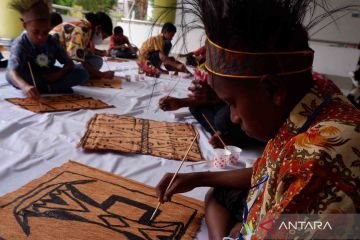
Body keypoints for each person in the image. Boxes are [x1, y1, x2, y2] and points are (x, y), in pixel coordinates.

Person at [156, 1, 360, 239]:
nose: (233, 117)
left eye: (232, 102)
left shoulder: (317, 164)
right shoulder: (320, 94)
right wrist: (197, 177)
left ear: (273, 90)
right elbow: (267, 170)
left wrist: (248, 229)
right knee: (219, 191)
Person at [6, 0, 89, 98]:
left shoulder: (52, 40)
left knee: (82, 74)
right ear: (25, 26)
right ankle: (52, 88)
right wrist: (25, 86)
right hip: (30, 77)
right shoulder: (20, 44)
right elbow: (12, 71)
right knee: (10, 76)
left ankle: (46, 88)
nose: (41, 37)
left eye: (45, 32)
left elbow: (69, 63)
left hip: (49, 75)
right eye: (35, 32)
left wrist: (59, 74)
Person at [51, 11, 114, 79]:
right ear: (98, 28)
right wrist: (102, 74)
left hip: (62, 58)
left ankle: (82, 75)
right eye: (104, 36)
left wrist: (99, 52)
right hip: (53, 60)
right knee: (82, 74)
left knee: (97, 61)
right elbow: (79, 60)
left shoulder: (87, 29)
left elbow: (82, 52)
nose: (102, 39)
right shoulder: (80, 31)